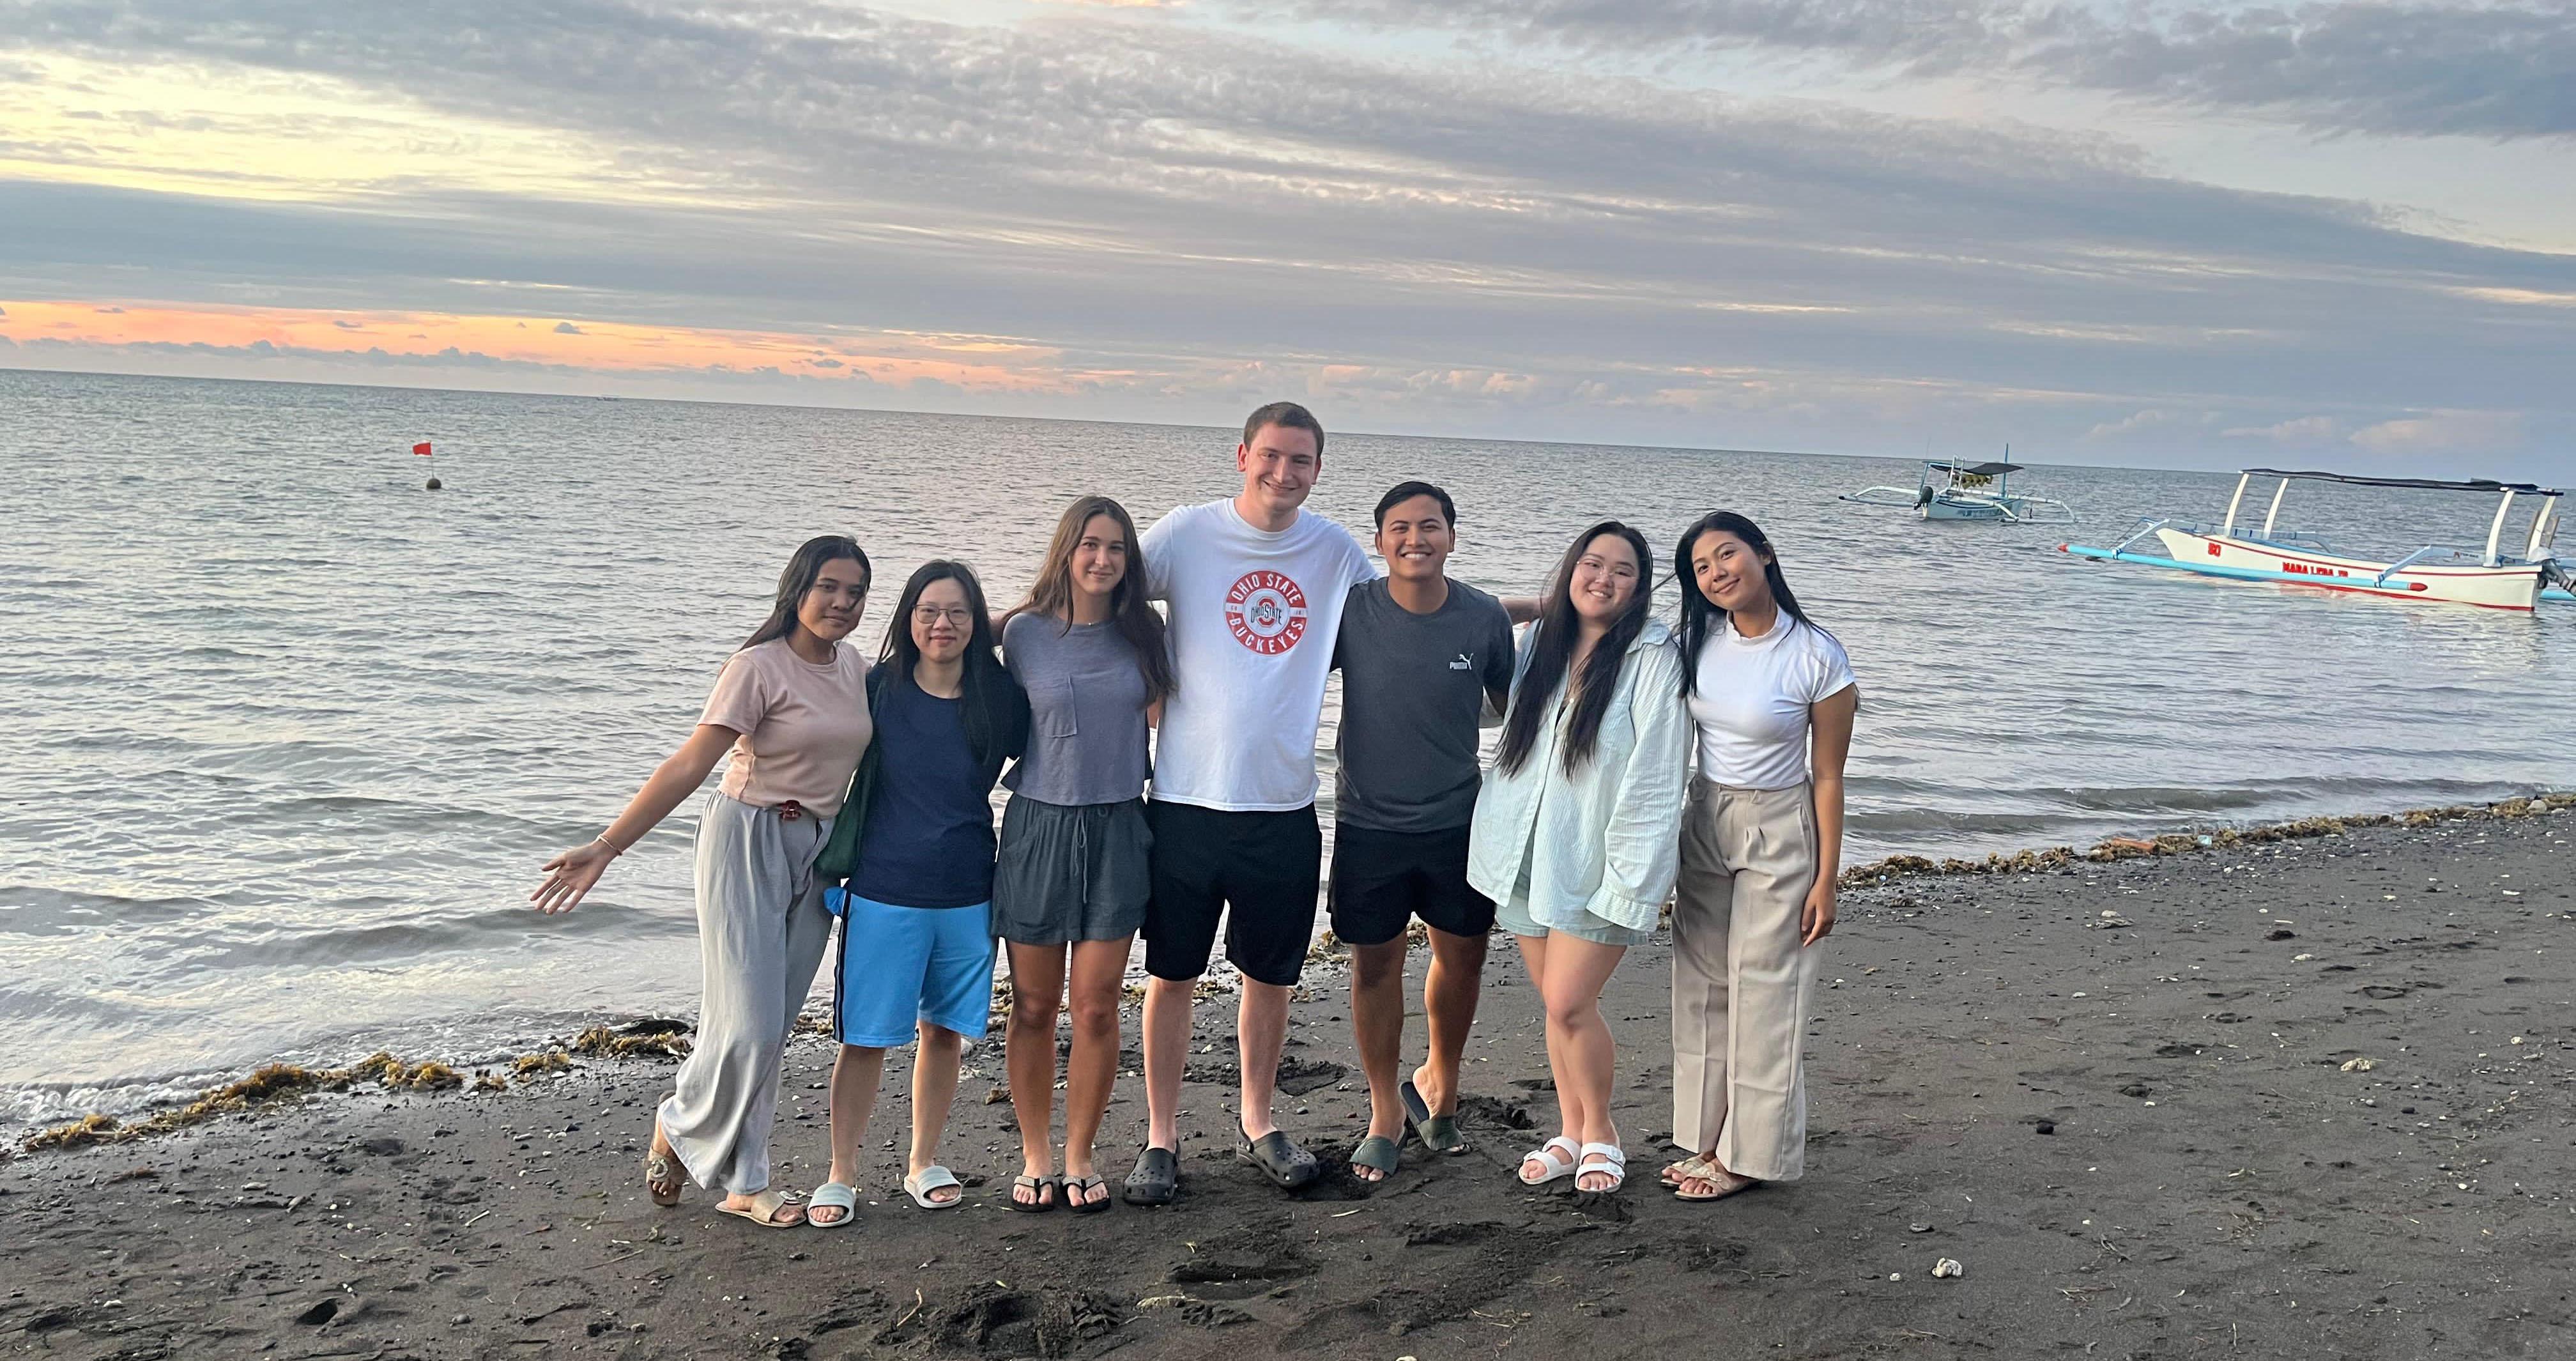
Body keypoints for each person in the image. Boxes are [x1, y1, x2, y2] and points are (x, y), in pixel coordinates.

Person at [531, 535, 875, 1229]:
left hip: (819, 850)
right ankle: (686, 1129)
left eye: (855, 592)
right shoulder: (756, 667)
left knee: (772, 1025)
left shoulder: (855, 668)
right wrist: (607, 847)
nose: (841, 603)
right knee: (745, 1025)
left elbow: (942, 642)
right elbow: (690, 765)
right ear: (797, 589)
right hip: (745, 839)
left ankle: (743, 1178)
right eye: (828, 587)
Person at [1124, 401, 1377, 1205]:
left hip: (1284, 809)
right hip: (1185, 803)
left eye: (1300, 461)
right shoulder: (1186, 532)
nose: (1283, 472)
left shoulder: (1335, 550)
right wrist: (1143, 678)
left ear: (1317, 470)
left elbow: (1412, 613)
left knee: (1269, 978)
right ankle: (1161, 1137)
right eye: (1270, 456)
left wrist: (1542, 613)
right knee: (1170, 973)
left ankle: (1259, 1120)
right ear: (1242, 456)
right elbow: (1098, 594)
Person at [1466, 521, 1689, 1196]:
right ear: (1570, 571)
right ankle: (1568, 1131)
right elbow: (1480, 702)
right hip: (1522, 848)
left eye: (1622, 571)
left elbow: (1657, 774)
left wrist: (1633, 881)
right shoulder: (1540, 644)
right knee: (1556, 1004)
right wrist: (1534, 608)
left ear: (1640, 588)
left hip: (1594, 861)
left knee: (1570, 1002)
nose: (1604, 579)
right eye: (1592, 564)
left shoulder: (1653, 658)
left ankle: (1602, 1134)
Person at [804, 561, 1029, 1226]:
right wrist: (786, 801)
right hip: (882, 889)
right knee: (866, 1037)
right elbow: (815, 744)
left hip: (968, 891)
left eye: (958, 612)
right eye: (929, 610)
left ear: (976, 622)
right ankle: (842, 1173)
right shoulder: (876, 689)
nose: (942, 624)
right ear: (907, 617)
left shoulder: (1001, 697)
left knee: (943, 1034)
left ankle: (923, 1160)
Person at [1662, 512, 1857, 1203]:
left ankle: (1753, 1154)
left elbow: (1828, 775)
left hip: (1780, 824)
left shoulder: (1816, 655)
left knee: (1768, 993)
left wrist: (1826, 880)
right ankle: (1708, 1138)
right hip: (1705, 818)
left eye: (1728, 555)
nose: (1718, 573)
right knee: (1704, 986)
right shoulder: (1696, 641)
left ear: (1765, 554)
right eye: (1703, 567)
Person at [1329, 481, 1515, 1182]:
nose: (1416, 539)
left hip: (1457, 822)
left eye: (1430, 526)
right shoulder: (1351, 614)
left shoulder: (1483, 619)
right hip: (1367, 822)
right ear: (1378, 542)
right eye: (1400, 528)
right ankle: (1383, 1111)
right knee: (1374, 966)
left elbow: (1519, 709)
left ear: (1452, 537)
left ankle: (1441, 1084)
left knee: (1462, 959)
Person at [992, 496, 1173, 1214]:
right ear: (1066, 550)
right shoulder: (1022, 634)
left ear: (1130, 563)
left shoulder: (1146, 634)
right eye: (1090, 545)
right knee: (1034, 1005)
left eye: (1117, 549)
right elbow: (949, 683)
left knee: (1096, 1006)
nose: (1102, 559)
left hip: (1120, 827)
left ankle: (1079, 1154)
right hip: (1037, 826)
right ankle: (1036, 1153)